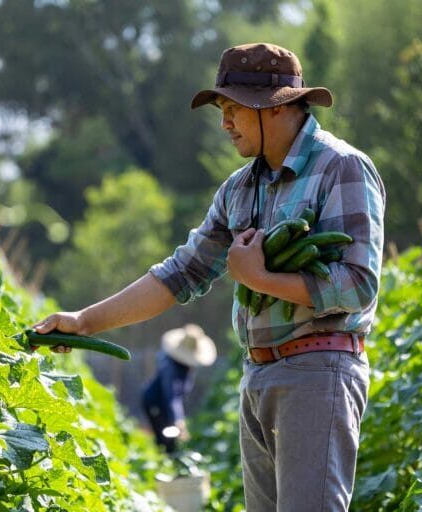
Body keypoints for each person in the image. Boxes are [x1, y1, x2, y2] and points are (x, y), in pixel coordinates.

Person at [34, 42, 385, 511]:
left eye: (233, 109)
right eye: (222, 109)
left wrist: (259, 278)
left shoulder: (340, 168)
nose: (225, 124)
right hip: (258, 372)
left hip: (318, 372)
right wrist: (84, 321)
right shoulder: (239, 189)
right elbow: (181, 273)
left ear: (275, 106)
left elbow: (358, 285)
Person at [141, 324, 216, 454]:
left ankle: (168, 460)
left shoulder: (186, 367)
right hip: (155, 404)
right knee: (166, 439)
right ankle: (165, 463)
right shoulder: (172, 368)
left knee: (171, 440)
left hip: (165, 405)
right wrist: (178, 421)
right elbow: (172, 396)